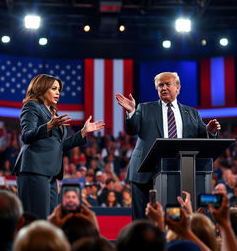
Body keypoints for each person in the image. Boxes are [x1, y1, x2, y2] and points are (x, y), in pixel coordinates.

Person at [115, 72, 221, 219]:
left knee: (174, 217)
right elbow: (132, 129)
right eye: (160, 85)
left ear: (178, 88)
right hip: (144, 173)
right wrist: (131, 111)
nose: (164, 88)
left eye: (168, 84)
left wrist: (210, 131)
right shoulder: (144, 108)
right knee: (142, 219)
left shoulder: (191, 113)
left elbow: (203, 138)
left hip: (180, 173)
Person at [13, 74, 104, 219]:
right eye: (54, 88)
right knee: (37, 219)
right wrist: (48, 126)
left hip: (51, 172)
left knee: (51, 218)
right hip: (34, 169)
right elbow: (27, 136)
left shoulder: (53, 112)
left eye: (59, 90)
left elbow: (59, 145)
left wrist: (83, 132)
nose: (58, 93)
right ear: (41, 88)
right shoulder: (31, 106)